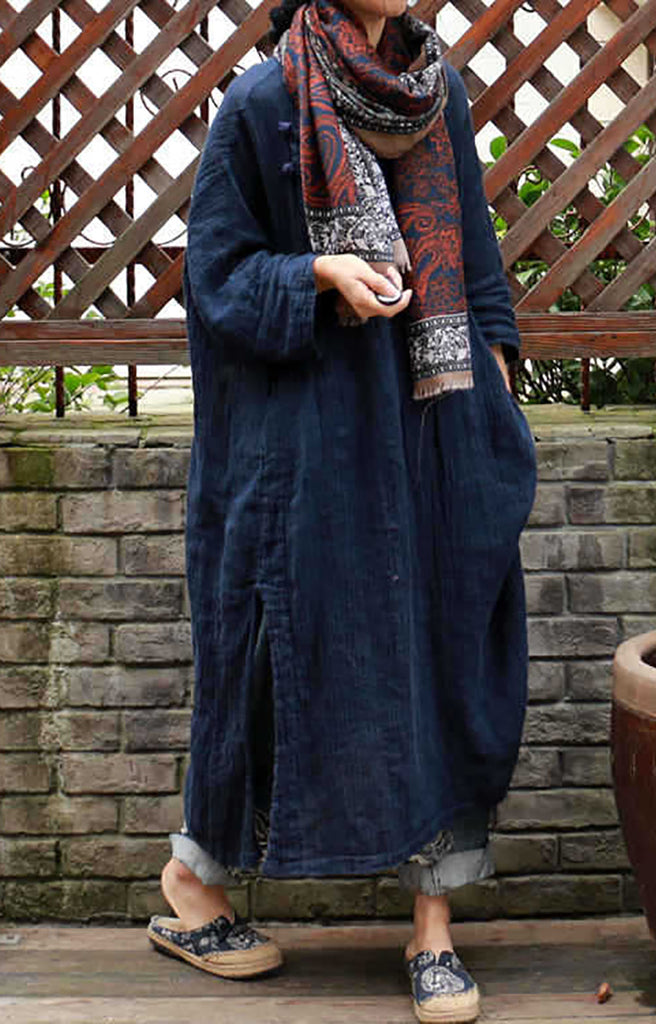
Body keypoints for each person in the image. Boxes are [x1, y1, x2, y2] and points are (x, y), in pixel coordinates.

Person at [147, 0, 537, 1020]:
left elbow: (476, 257)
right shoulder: (263, 101)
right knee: (266, 654)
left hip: (433, 427)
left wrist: (494, 389)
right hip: (309, 439)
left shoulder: (435, 93)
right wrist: (318, 273)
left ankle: (431, 930)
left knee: (443, 649)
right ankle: (194, 883)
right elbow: (217, 277)